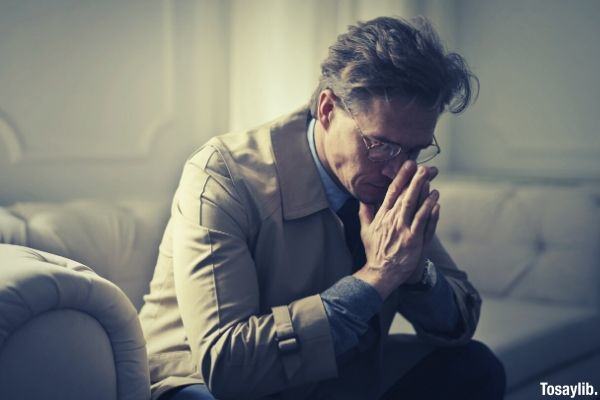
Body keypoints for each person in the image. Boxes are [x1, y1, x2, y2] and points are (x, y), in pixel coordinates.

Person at [138, 15, 506, 400]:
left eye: (414, 149)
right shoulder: (222, 174)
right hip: (202, 382)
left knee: (474, 368)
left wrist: (415, 272)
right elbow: (229, 365)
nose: (397, 167)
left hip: (332, 377)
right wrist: (377, 278)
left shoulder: (387, 180)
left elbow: (461, 321)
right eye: (381, 144)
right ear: (328, 109)